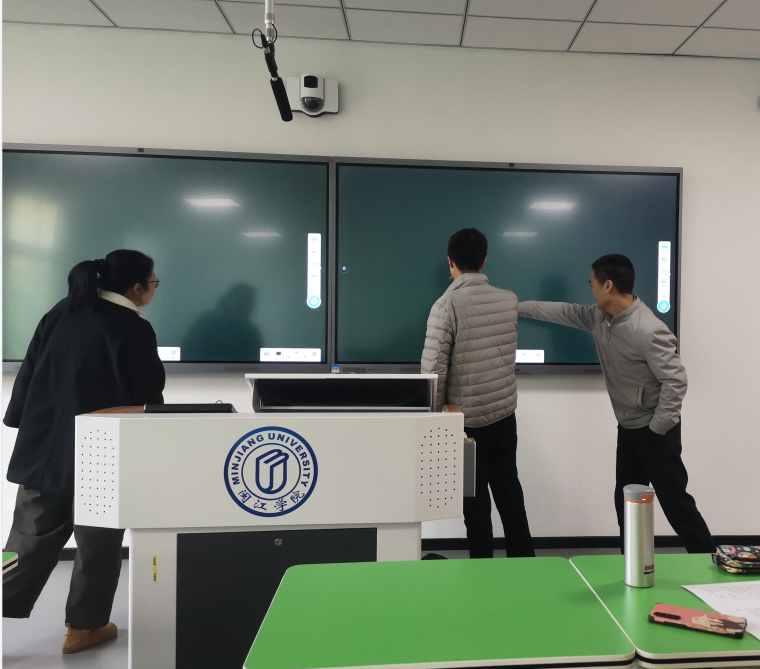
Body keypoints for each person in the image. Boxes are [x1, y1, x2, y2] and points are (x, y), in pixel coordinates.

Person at [3, 250, 165, 653]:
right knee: (98, 546)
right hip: (103, 456)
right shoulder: (133, 328)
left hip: (43, 451)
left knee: (23, 542)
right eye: (153, 282)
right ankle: (84, 629)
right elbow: (148, 399)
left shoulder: (60, 312)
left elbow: (27, 375)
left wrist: (27, 427)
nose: (153, 289)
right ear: (137, 288)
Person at [518, 253, 714, 553]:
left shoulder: (648, 330)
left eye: (592, 284)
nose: (590, 290)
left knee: (675, 503)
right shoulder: (599, 317)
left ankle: (709, 561)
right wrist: (513, 306)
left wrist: (657, 428)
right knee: (625, 503)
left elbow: (676, 381)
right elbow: (560, 311)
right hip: (628, 427)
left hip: (655, 432)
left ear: (607, 285)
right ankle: (632, 563)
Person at [421, 228, 535, 559]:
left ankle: (482, 570)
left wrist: (435, 420)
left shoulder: (446, 305)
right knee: (510, 492)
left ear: (450, 262)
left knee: (475, 504)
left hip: (466, 425)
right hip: (504, 415)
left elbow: (434, 372)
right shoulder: (509, 300)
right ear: (484, 261)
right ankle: (527, 565)